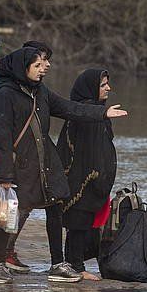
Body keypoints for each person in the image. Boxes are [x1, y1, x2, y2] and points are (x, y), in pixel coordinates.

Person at [0, 46, 127, 284]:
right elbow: (1, 138)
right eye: (38, 65)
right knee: (8, 213)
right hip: (21, 164)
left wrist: (102, 113)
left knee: (55, 208)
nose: (44, 69)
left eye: (44, 65)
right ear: (24, 67)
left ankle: (57, 263)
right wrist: (4, 176)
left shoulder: (41, 91)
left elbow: (70, 108)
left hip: (47, 162)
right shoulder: (5, 94)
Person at [0, 39, 54, 274]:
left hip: (22, 161)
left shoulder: (35, 91)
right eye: (41, 60)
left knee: (16, 209)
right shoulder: (6, 92)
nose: (46, 65)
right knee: (0, 209)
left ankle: (4, 254)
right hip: (6, 161)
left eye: (47, 60)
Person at [58, 69, 117, 281]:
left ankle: (76, 263)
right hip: (81, 182)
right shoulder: (82, 114)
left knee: (84, 225)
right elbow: (81, 153)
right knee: (77, 223)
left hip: (94, 183)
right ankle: (76, 266)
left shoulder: (98, 112)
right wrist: (94, 178)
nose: (108, 88)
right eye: (103, 85)